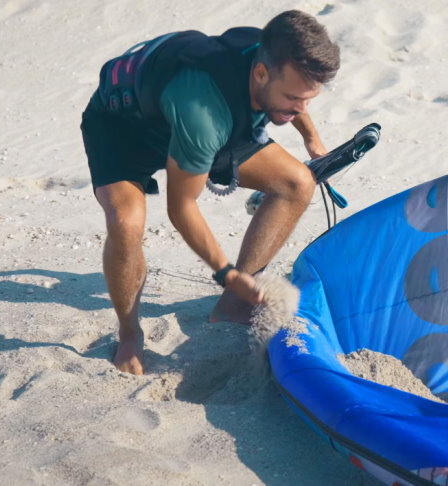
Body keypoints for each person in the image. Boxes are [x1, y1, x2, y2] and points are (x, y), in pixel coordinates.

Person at [80, 10, 341, 374]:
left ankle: (232, 306)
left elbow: (296, 97)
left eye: (308, 100)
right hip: (123, 129)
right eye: (293, 99)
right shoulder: (203, 118)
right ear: (261, 73)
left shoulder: (272, 52)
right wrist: (226, 273)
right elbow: (181, 206)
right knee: (126, 223)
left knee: (296, 184)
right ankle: (128, 334)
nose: (300, 109)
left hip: (193, 121)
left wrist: (312, 140)